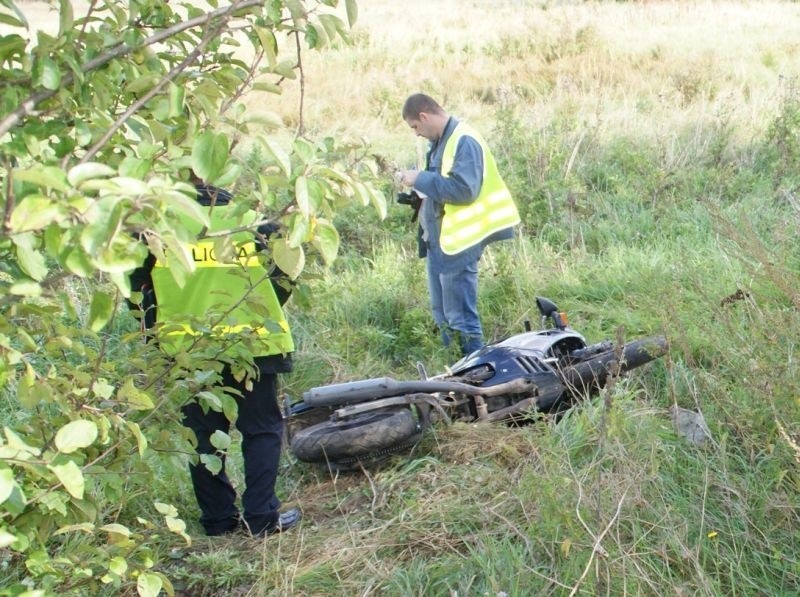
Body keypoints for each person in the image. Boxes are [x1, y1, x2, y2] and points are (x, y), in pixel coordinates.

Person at [128, 176, 301, 538]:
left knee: (203, 437)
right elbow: (286, 276)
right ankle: (262, 518)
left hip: (188, 351)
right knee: (262, 431)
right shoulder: (254, 220)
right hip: (254, 344)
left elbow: (138, 293)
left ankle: (219, 521)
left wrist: (157, 339)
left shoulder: (155, 228)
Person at [396, 93, 520, 356]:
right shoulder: (442, 140)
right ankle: (454, 374)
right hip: (439, 242)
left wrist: (420, 178)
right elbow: (443, 187)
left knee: (461, 319)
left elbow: (464, 191)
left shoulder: (464, 140)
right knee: (443, 315)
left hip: (460, 242)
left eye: (415, 127)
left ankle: (476, 376)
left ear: (424, 116)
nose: (416, 134)